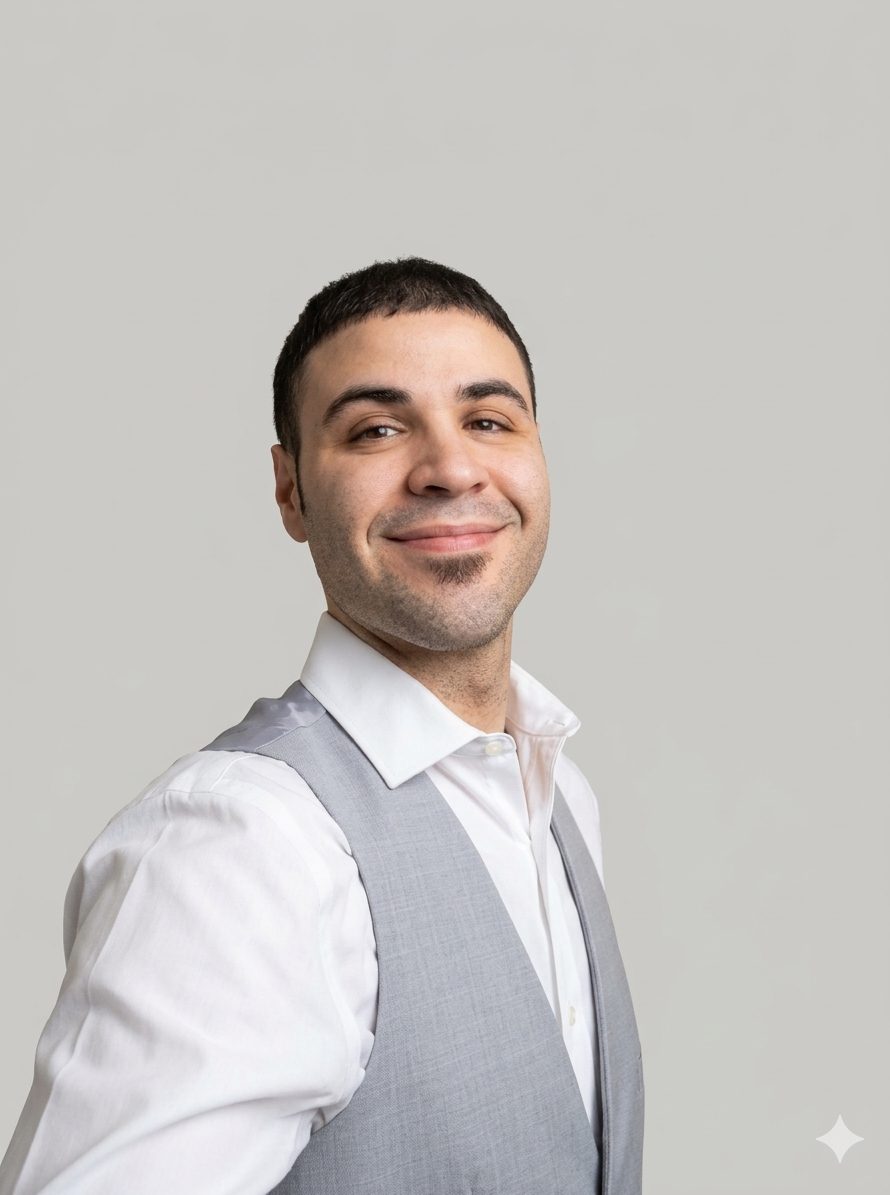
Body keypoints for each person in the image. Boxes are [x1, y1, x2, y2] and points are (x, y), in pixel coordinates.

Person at [0, 258, 643, 1195]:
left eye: (489, 420)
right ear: (291, 490)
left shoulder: (559, 798)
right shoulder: (243, 847)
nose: (451, 467)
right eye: (377, 428)